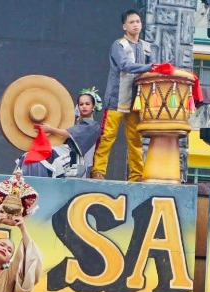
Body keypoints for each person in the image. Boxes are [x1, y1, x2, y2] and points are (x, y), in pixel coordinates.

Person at [90, 9, 154, 182]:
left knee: (135, 139)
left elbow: (152, 70)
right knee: (107, 136)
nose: (135, 25)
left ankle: (137, 175)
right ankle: (98, 171)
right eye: (131, 22)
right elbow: (125, 65)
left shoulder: (146, 47)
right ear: (124, 26)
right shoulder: (118, 45)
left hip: (137, 101)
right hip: (116, 99)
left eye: (138, 21)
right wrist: (150, 67)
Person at [21, 89, 103, 178]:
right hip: (63, 150)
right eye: (81, 104)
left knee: (45, 156)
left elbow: (69, 133)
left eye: (87, 104)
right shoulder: (74, 122)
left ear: (93, 106)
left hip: (73, 157)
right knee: (29, 155)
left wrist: (51, 129)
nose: (84, 106)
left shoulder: (93, 126)